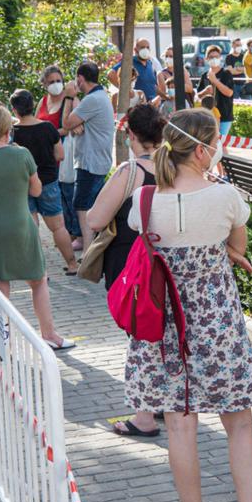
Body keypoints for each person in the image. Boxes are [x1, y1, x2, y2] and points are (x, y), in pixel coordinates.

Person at [127, 110, 252, 502]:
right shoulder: (225, 196)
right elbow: (238, 248)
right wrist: (220, 249)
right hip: (218, 325)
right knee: (239, 425)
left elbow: (143, 240)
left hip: (165, 328)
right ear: (203, 149)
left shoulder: (145, 201)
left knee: (180, 429)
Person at [0, 104, 73, 350]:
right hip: (17, 223)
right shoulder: (21, 155)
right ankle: (49, 335)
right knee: (38, 279)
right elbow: (36, 190)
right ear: (7, 129)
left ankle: (2, 342)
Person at [86, 104, 164, 440]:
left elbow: (95, 219)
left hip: (133, 266)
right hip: (168, 261)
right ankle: (159, 398)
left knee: (141, 338)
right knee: (159, 337)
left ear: (130, 133)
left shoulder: (129, 173)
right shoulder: (177, 168)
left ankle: (144, 415)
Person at [10, 89, 76, 275]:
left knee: (31, 229)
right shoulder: (47, 128)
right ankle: (72, 264)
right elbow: (60, 155)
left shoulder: (13, 132)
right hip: (48, 182)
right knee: (58, 227)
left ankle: (39, 271)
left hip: (23, 185)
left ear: (14, 110)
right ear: (32, 105)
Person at [64, 61, 115, 250]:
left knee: (83, 206)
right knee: (88, 205)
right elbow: (76, 121)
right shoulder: (98, 97)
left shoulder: (92, 100)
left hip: (90, 162)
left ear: (80, 78)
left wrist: (69, 97)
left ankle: (89, 251)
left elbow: (67, 122)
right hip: (96, 160)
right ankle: (91, 249)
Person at [37, 65, 82, 246]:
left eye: (58, 81)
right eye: (51, 82)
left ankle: (79, 233)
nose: (56, 84)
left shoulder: (71, 100)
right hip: (46, 155)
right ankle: (67, 232)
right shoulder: (43, 101)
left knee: (69, 191)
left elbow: (74, 124)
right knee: (57, 195)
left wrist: (51, 133)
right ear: (44, 84)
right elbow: (35, 122)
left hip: (64, 150)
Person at [197, 46, 236, 136]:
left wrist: (215, 81)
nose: (214, 59)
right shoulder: (204, 75)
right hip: (208, 116)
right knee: (213, 144)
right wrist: (205, 91)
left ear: (220, 58)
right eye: (211, 57)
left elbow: (229, 93)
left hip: (224, 116)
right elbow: (198, 95)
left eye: (216, 56)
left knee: (220, 142)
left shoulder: (226, 73)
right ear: (206, 59)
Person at [129, 37, 160, 105]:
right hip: (139, 107)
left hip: (153, 106)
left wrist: (163, 96)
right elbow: (111, 74)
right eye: (142, 47)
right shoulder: (130, 62)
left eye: (147, 47)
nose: (145, 49)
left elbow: (153, 85)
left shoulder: (150, 63)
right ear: (135, 49)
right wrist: (127, 92)